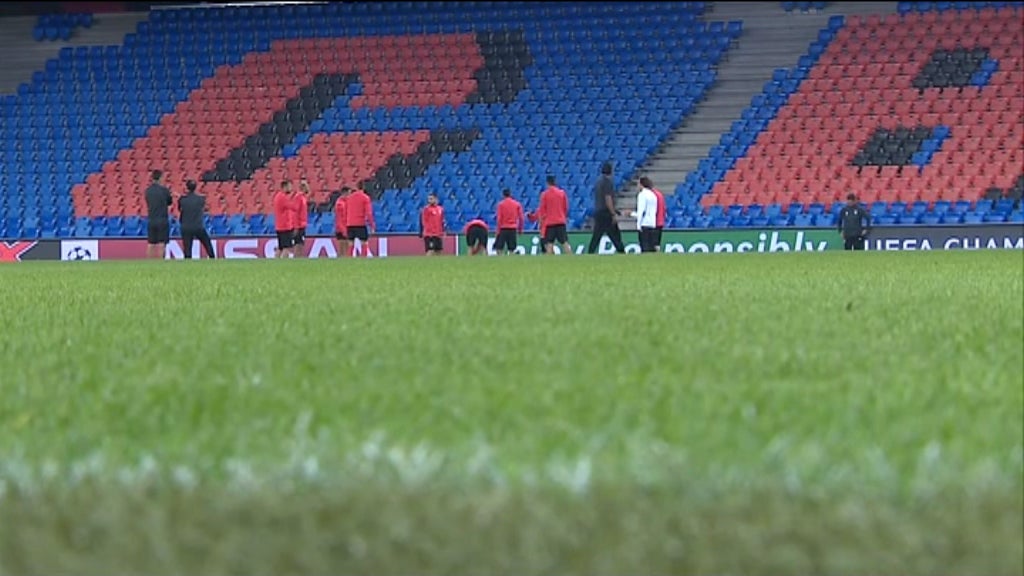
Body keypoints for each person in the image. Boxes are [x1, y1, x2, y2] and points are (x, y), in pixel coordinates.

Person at [587, 162, 625, 254]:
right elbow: (608, 198)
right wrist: (613, 213)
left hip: (598, 211)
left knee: (597, 235)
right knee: (615, 235)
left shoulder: (598, 181)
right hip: (606, 213)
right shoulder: (608, 182)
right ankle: (621, 252)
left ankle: (590, 252)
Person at [177, 179, 215, 259]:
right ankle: (212, 257)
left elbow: (179, 209)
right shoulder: (201, 199)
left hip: (186, 226)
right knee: (207, 243)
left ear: (186, 188)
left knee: (187, 248)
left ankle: (188, 262)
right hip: (198, 226)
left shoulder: (182, 200)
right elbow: (205, 208)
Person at [537, 175, 572, 255]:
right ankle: (571, 258)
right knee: (564, 242)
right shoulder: (562, 193)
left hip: (550, 223)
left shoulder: (544, 195)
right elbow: (565, 207)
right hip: (560, 221)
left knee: (549, 244)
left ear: (547, 183)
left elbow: (542, 210)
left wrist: (541, 222)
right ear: (555, 182)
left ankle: (549, 262)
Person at [145, 169, 172, 259]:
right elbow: (169, 202)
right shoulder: (164, 190)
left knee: (151, 243)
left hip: (151, 219)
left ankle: (149, 263)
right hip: (162, 220)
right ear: (160, 178)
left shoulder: (148, 191)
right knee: (161, 243)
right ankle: (160, 263)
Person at [345, 182, 375, 256]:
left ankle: (349, 261)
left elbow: (346, 211)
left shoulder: (349, 198)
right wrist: (372, 225)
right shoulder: (365, 198)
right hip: (360, 223)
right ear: (363, 188)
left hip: (350, 224)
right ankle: (363, 260)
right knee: (364, 242)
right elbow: (369, 213)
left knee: (350, 244)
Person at [631, 176, 659, 253]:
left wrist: (638, 225)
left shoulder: (642, 195)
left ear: (641, 184)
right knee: (651, 247)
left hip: (644, 224)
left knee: (645, 247)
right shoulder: (653, 195)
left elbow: (641, 211)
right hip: (652, 223)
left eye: (638, 184)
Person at [494, 188, 525, 255]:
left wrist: (498, 230)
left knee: (499, 248)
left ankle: (500, 262)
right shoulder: (517, 204)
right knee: (512, 249)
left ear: (503, 195)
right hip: (513, 228)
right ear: (510, 194)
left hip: (503, 228)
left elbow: (499, 219)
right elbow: (521, 218)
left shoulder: (501, 205)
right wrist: (520, 229)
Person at [273, 180, 297, 259]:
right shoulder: (283, 197)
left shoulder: (278, 196)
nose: (291, 189)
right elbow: (293, 206)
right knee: (286, 247)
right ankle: (283, 263)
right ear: (284, 187)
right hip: (285, 226)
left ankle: (275, 262)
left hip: (279, 226)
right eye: (289, 187)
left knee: (280, 247)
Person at [293, 180, 311, 258]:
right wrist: (296, 226)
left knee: (301, 243)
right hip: (299, 224)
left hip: (302, 224)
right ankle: (296, 257)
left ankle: (299, 257)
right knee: (298, 243)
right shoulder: (298, 197)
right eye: (306, 186)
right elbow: (296, 212)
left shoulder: (303, 197)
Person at [333, 186, 350, 258]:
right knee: (342, 248)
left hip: (346, 227)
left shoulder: (346, 202)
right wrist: (343, 230)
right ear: (345, 193)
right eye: (349, 193)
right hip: (341, 229)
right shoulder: (340, 204)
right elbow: (339, 219)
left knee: (347, 249)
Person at [652, 184, 666, 252]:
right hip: (660, 221)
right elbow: (664, 208)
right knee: (657, 241)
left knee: (652, 241)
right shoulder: (660, 194)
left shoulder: (652, 195)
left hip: (654, 221)